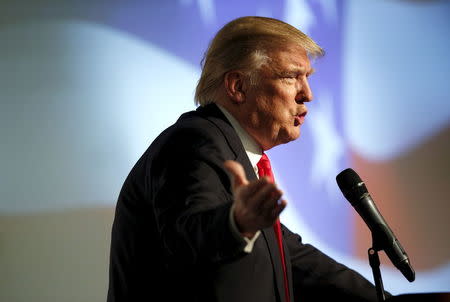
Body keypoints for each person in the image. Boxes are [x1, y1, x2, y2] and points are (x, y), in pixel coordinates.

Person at [107, 16, 387, 302]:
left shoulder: (233, 152)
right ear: (238, 87)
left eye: (307, 77)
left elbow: (296, 261)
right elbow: (185, 238)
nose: (308, 94)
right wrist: (235, 223)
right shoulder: (195, 143)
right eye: (291, 77)